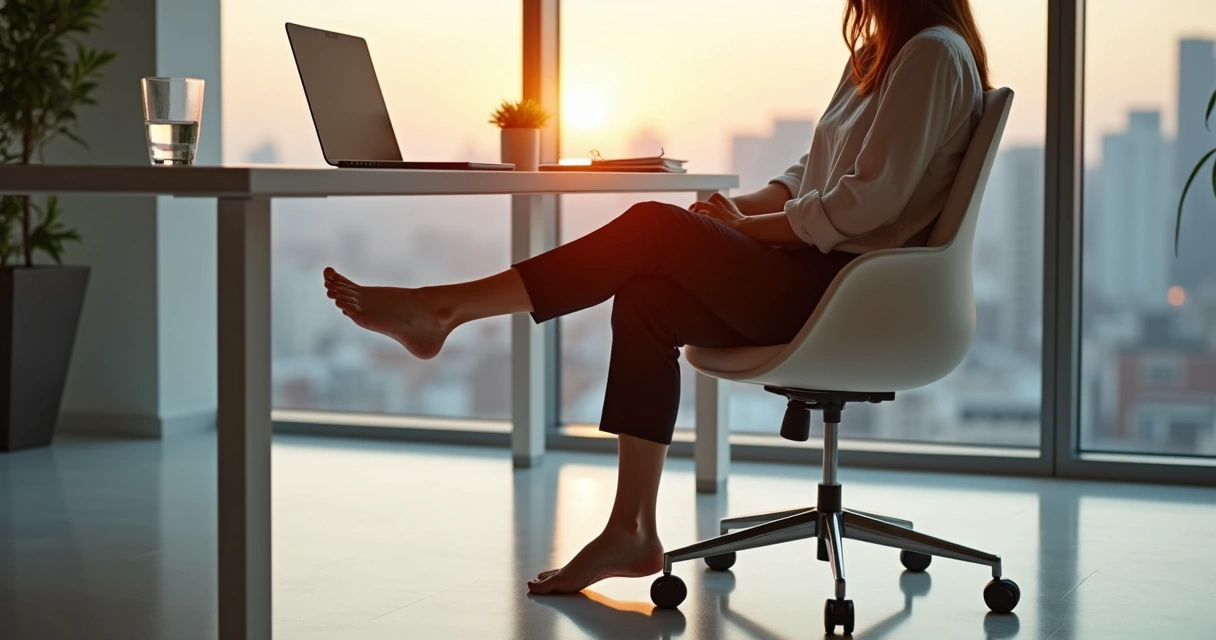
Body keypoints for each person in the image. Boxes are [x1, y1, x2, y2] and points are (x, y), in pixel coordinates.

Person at [322, 0, 992, 595]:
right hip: (815, 276)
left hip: (847, 295)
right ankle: (630, 528)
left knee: (652, 226)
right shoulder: (879, 54)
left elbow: (863, 206)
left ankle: (444, 308)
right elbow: (805, 179)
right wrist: (734, 209)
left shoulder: (932, 55)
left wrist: (740, 229)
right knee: (647, 295)